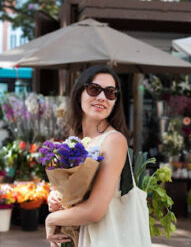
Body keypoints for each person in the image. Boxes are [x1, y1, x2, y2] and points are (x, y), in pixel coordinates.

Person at [45, 65, 132, 246]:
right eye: (94, 89)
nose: (102, 97)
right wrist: (58, 197)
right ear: (79, 93)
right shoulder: (76, 140)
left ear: (115, 100)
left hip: (102, 239)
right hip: (78, 236)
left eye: (110, 92)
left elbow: (95, 210)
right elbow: (75, 191)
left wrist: (52, 219)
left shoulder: (113, 141)